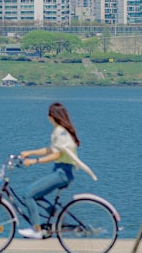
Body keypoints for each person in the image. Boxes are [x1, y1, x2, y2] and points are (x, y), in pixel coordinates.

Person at [15, 102, 97, 239]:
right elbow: (51, 149)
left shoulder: (60, 132)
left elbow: (56, 155)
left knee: (27, 194)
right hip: (62, 171)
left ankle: (37, 230)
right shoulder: (61, 130)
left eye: (48, 114)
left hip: (62, 173)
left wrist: (34, 161)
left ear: (52, 116)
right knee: (37, 195)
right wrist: (29, 152)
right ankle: (58, 214)